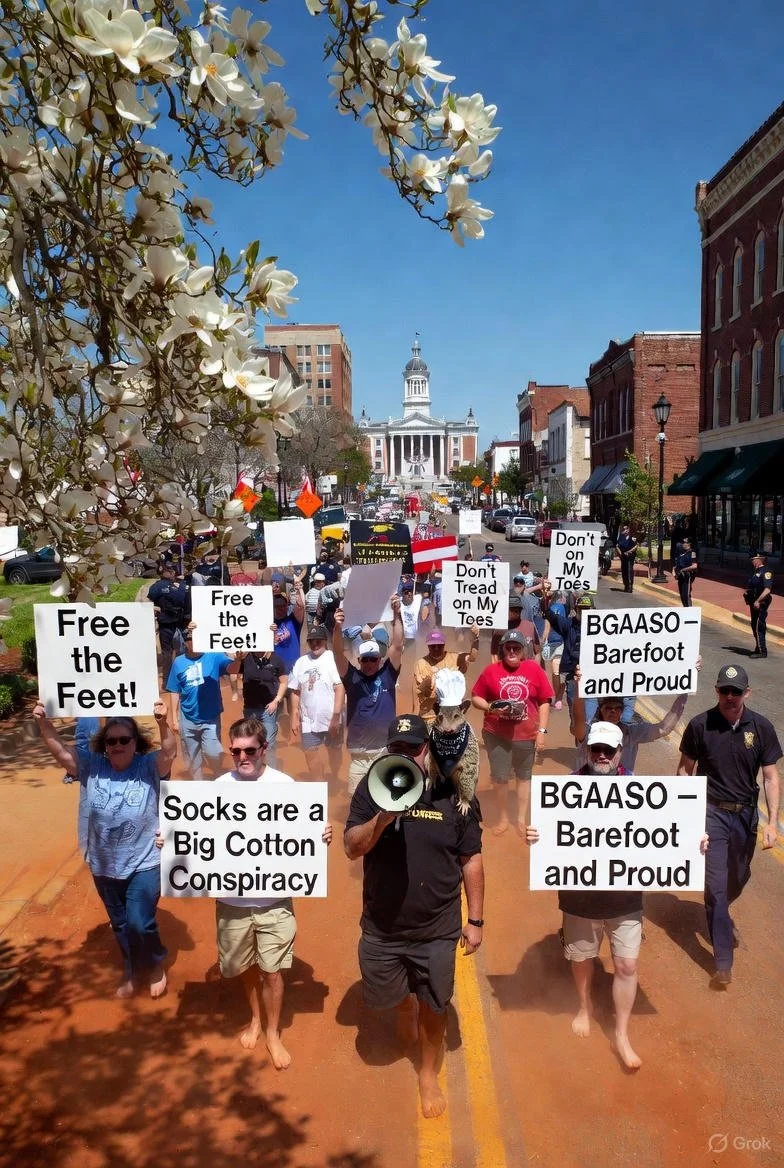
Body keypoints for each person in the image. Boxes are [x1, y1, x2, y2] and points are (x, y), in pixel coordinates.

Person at [344, 715, 484, 1120]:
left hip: (437, 929)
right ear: (390, 751)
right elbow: (352, 848)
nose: (406, 755)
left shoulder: (454, 794)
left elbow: (471, 858)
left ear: (428, 749)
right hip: (383, 927)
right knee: (394, 999)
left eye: (414, 747)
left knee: (435, 1005)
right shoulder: (374, 787)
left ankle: (427, 1073)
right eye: (398, 748)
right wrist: (382, 817)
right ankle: (408, 1011)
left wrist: (475, 920)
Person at [34, 700, 176, 999]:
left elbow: (169, 752)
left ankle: (155, 964)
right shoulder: (91, 765)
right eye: (111, 741)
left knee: (140, 920)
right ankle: (129, 967)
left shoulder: (148, 765)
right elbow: (61, 752)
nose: (117, 745)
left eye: (125, 739)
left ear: (135, 742)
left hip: (145, 860)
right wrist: (44, 723)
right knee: (120, 922)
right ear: (104, 744)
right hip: (102, 863)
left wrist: (163, 722)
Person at [526, 721, 647, 1070]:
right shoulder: (565, 791)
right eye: (597, 749)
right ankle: (585, 1006)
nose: (603, 756)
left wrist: (692, 842)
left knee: (626, 964)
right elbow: (550, 835)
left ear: (621, 752)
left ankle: (621, 1035)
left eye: (610, 750)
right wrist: (538, 835)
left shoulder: (640, 789)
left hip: (625, 896)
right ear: (587, 751)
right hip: (580, 895)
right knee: (582, 959)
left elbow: (666, 833)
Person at [215, 717, 332, 1067]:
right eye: (235, 751)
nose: (242, 757)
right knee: (247, 968)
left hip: (275, 900)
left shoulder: (286, 785)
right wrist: (172, 839)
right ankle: (254, 1018)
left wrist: (319, 833)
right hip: (231, 900)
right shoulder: (218, 787)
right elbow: (198, 834)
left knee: (272, 971)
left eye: (250, 750)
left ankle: (272, 1031)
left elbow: (302, 833)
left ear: (264, 749)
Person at [677, 664, 781, 989]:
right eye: (725, 691)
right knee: (717, 888)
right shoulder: (699, 725)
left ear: (746, 693)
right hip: (712, 814)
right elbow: (683, 770)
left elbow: (770, 776)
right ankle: (723, 963)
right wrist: (687, 815)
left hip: (746, 816)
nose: (730, 697)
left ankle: (722, 911)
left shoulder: (761, 727)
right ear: (717, 692)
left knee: (738, 877)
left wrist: (773, 822)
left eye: (736, 691)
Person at [471, 628, 554, 835]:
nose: (512, 651)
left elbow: (544, 701)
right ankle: (503, 818)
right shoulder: (491, 671)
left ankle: (520, 819)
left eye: (516, 647)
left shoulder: (534, 670)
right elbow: (475, 697)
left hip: (527, 736)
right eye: (508, 647)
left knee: (524, 777)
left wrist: (542, 730)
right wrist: (490, 707)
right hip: (496, 735)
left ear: (523, 650)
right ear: (502, 650)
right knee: (500, 777)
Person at [332, 596, 405, 795]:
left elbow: (397, 646)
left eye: (373, 659)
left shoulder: (389, 675)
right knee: (355, 801)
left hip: (384, 751)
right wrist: (338, 627)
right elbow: (338, 653)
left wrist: (397, 616)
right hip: (358, 756)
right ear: (360, 659)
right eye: (365, 659)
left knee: (385, 798)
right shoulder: (352, 677)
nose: (369, 663)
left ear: (380, 659)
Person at [166, 630, 237, 780]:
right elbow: (174, 690)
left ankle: (218, 778)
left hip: (210, 717)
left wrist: (239, 660)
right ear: (185, 642)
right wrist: (174, 719)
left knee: (213, 753)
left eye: (195, 638)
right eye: (188, 639)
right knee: (192, 759)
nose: (192, 642)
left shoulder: (214, 656)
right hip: (187, 717)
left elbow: (232, 669)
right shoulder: (178, 662)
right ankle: (199, 787)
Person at [573, 687, 689, 773]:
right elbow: (578, 716)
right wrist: (579, 685)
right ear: (600, 710)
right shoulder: (589, 732)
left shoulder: (632, 733)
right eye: (608, 708)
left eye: (617, 708)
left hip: (622, 787)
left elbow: (664, 728)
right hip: (587, 786)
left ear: (622, 711)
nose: (613, 711)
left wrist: (684, 691)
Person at [288, 624, 344, 780]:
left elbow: (340, 688)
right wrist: (294, 715)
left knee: (334, 751)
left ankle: (334, 776)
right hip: (308, 719)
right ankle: (319, 784)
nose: (315, 644)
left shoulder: (332, 659)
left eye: (318, 640)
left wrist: (336, 717)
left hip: (332, 716)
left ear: (325, 641)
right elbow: (295, 690)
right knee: (310, 751)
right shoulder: (301, 662)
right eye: (311, 641)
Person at [230, 648, 288, 768]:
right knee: (251, 742)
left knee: (269, 744)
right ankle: (254, 768)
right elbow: (232, 671)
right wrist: (237, 660)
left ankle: (271, 773)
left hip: (268, 709)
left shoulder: (276, 660)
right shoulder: (245, 659)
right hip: (250, 709)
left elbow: (284, 682)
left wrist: (276, 700)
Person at [412, 627, 479, 726]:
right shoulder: (420, 664)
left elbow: (472, 657)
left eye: (439, 645)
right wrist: (429, 683)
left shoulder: (455, 658)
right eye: (433, 646)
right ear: (428, 646)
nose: (436, 648)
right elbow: (422, 692)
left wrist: (475, 639)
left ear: (444, 645)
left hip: (451, 715)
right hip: (429, 716)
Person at [147, 562, 189, 679]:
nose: (171, 572)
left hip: (180, 623)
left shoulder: (182, 585)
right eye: (168, 570)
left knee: (181, 652)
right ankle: (168, 680)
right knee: (169, 653)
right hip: (167, 623)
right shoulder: (158, 586)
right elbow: (148, 602)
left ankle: (180, 677)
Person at [744, 551, 774, 658]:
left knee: (759, 626)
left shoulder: (766, 571)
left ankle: (762, 651)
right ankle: (758, 647)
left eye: (753, 560)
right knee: (754, 625)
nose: (752, 561)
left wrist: (758, 601)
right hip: (754, 602)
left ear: (759, 559)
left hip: (761, 603)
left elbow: (767, 590)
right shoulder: (756, 571)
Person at [673, 536, 698, 607]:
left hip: (687, 576)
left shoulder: (692, 553)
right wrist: (674, 571)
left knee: (686, 595)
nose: (682, 544)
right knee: (682, 596)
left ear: (689, 544)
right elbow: (676, 565)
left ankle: (689, 610)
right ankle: (685, 608)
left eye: (684, 542)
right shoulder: (681, 553)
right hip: (680, 576)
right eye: (682, 542)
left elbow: (694, 566)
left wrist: (683, 570)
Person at [615, 524, 638, 593]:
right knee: (624, 569)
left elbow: (636, 546)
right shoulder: (621, 537)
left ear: (628, 530)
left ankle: (630, 585)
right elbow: (617, 546)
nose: (624, 531)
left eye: (626, 529)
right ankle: (626, 585)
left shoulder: (632, 537)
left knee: (629, 569)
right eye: (623, 529)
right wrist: (620, 553)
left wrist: (629, 552)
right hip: (623, 556)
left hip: (630, 556)